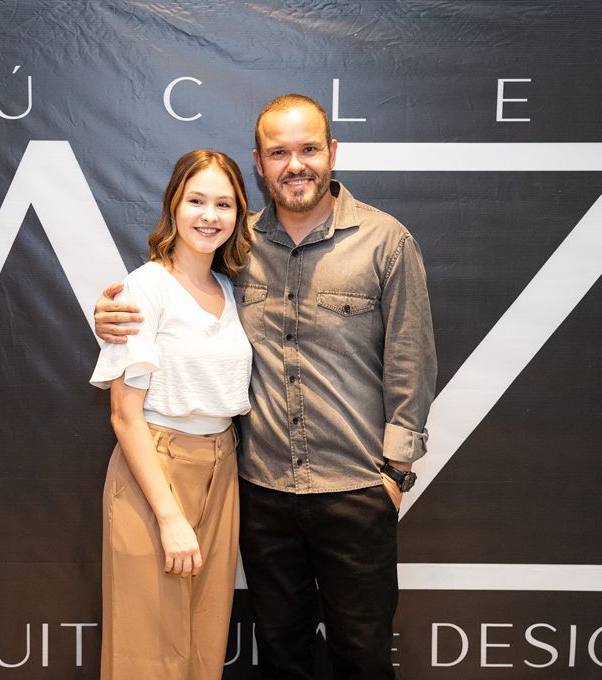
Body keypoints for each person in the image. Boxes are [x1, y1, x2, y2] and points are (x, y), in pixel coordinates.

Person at [95, 94, 436, 680]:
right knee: (281, 656)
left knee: (363, 654)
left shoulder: (386, 242)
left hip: (355, 487)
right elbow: (171, 294)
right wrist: (110, 317)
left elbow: (412, 363)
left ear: (332, 153)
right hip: (262, 491)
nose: (295, 164)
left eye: (308, 149)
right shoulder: (238, 247)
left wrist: (395, 476)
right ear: (259, 162)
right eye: (279, 152)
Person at [89, 149, 253, 680]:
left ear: (239, 213)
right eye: (196, 200)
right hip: (156, 472)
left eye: (224, 204)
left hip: (222, 467)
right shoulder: (145, 288)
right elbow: (124, 415)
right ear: (173, 206)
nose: (210, 215)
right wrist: (169, 517)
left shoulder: (229, 289)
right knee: (147, 652)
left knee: (205, 646)